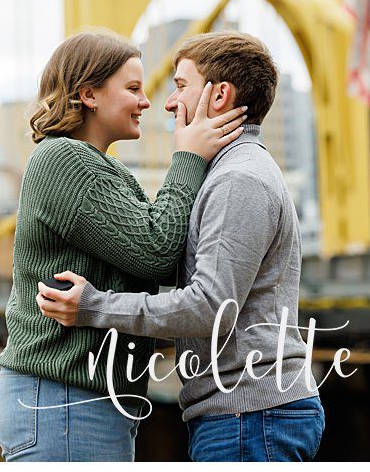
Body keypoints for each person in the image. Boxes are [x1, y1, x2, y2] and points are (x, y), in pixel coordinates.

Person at [35, 33, 324, 462]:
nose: (168, 103)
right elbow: (161, 252)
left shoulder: (237, 180)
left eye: (181, 85)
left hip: (249, 414)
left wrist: (94, 307)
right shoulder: (228, 174)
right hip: (244, 414)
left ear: (220, 94)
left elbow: (209, 307)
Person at [0, 30, 247, 462]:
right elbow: (155, 248)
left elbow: (160, 252)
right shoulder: (63, 162)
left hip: (80, 403)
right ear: (89, 94)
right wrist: (189, 156)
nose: (147, 102)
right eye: (133, 88)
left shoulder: (102, 171)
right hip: (65, 402)